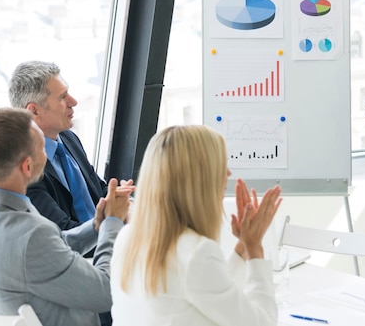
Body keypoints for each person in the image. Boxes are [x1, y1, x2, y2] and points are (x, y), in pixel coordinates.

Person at [0, 107, 132, 326]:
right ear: (27, 166)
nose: (48, 154)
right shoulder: (30, 234)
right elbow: (106, 293)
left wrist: (97, 225)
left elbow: (54, 246)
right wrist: (113, 223)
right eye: (42, 149)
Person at [110, 125, 283, 326]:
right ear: (200, 179)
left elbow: (212, 292)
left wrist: (243, 246)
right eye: (220, 165)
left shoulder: (128, 237)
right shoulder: (196, 253)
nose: (227, 173)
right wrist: (255, 249)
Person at [9, 60, 131, 231]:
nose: (73, 102)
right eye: (62, 97)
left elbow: (97, 189)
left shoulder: (68, 139)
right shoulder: (26, 169)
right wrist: (113, 223)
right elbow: (64, 232)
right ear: (34, 111)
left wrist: (120, 198)